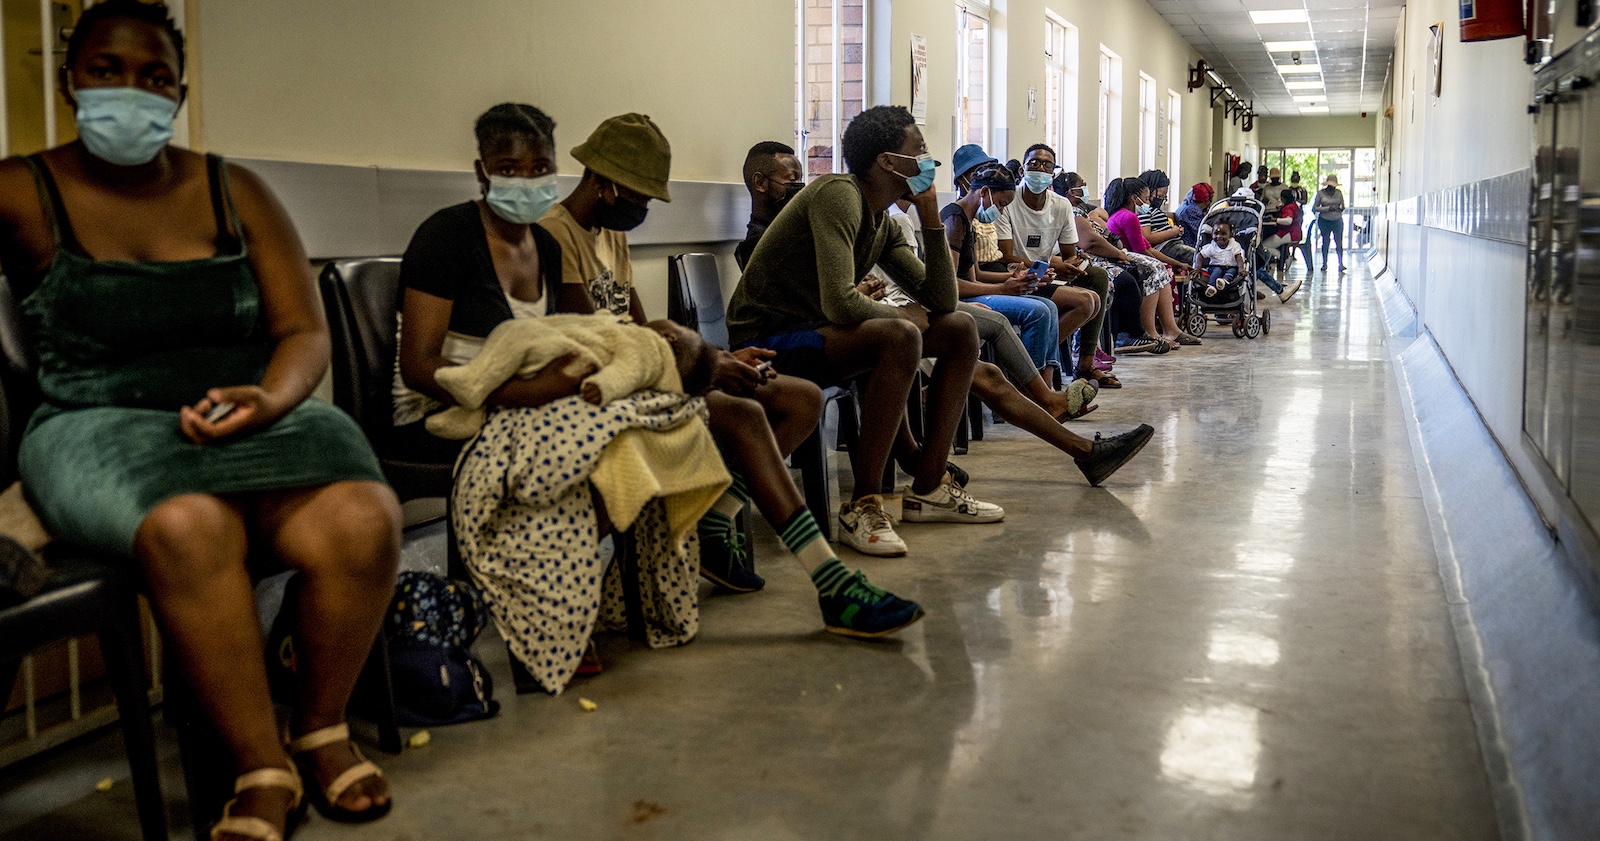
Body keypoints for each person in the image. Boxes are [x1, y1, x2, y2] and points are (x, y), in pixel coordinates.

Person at [0, 3, 400, 837]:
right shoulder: (21, 189)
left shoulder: (232, 187)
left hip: (250, 411)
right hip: (95, 423)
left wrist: (271, 398)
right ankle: (261, 764)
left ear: (178, 94)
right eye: (106, 71)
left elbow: (302, 332)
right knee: (192, 526)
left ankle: (320, 727)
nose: (130, 92)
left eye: (155, 77)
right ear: (70, 81)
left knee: (365, 517)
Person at [537, 115, 920, 635]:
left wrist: (713, 357)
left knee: (802, 398)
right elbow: (601, 342)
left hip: (639, 371)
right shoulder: (556, 236)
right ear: (604, 182)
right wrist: (705, 362)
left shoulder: (609, 234)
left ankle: (717, 522)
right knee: (746, 412)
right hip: (599, 385)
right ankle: (829, 582)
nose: (644, 208)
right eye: (640, 196)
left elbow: (639, 329)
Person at [995, 145, 1113, 387]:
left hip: (1046, 273)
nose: (1040, 169)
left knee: (1098, 277)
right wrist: (1052, 266)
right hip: (1018, 275)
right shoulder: (1008, 200)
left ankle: (1085, 364)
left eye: (1046, 165)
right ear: (1022, 170)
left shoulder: (1060, 205)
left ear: (1053, 173)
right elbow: (1006, 256)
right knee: (1085, 302)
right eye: (1034, 163)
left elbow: (1069, 254)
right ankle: (1025, 364)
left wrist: (1074, 264)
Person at [943, 164, 1062, 374]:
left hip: (970, 292)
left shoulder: (969, 221)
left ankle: (1046, 383)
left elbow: (976, 276)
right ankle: (1028, 384)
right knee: (1038, 311)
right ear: (984, 192)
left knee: (1050, 307)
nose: (1000, 211)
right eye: (1000, 204)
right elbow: (949, 285)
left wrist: (1015, 277)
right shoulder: (954, 220)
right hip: (957, 300)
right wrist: (1002, 289)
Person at [1103, 176, 1198, 352]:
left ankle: (1170, 329)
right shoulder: (1129, 217)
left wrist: (1176, 263)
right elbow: (1141, 250)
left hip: (1127, 257)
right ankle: (1151, 332)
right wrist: (1162, 263)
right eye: (1146, 199)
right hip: (1122, 259)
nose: (1147, 204)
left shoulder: (1124, 214)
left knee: (1162, 267)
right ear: (1134, 198)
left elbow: (1147, 248)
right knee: (1155, 270)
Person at [734, 141, 803, 269]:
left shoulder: (788, 233)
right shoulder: (760, 244)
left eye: (800, 179)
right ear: (760, 183)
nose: (799, 186)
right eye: (792, 179)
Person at [1135, 169, 1195, 265]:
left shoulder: (1153, 209)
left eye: (1164, 197)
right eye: (1159, 197)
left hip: (1173, 245)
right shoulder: (1144, 210)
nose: (1161, 200)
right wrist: (1173, 232)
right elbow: (1147, 238)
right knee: (1201, 258)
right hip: (1165, 247)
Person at [1194, 221, 1245, 297]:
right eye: (1216, 234)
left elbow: (1239, 257)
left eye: (1223, 234)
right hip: (1215, 267)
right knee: (1217, 270)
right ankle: (1211, 286)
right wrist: (1198, 268)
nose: (1219, 236)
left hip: (1231, 266)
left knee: (1232, 271)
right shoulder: (1212, 247)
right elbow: (1199, 255)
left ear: (1230, 235)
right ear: (1212, 234)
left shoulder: (1234, 245)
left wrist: (1241, 268)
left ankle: (1224, 281)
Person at [1313, 174, 1347, 273]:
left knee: (1339, 242)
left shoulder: (1339, 193)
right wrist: (1327, 208)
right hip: (1324, 220)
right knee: (1325, 242)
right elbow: (1315, 208)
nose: (1332, 188)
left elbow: (1343, 206)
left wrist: (1339, 208)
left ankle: (1340, 263)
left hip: (1337, 220)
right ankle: (1324, 263)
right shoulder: (1320, 193)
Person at [1175, 182, 1213, 247]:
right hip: (1191, 246)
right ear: (1207, 201)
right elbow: (1201, 231)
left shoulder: (1187, 207)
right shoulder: (1192, 211)